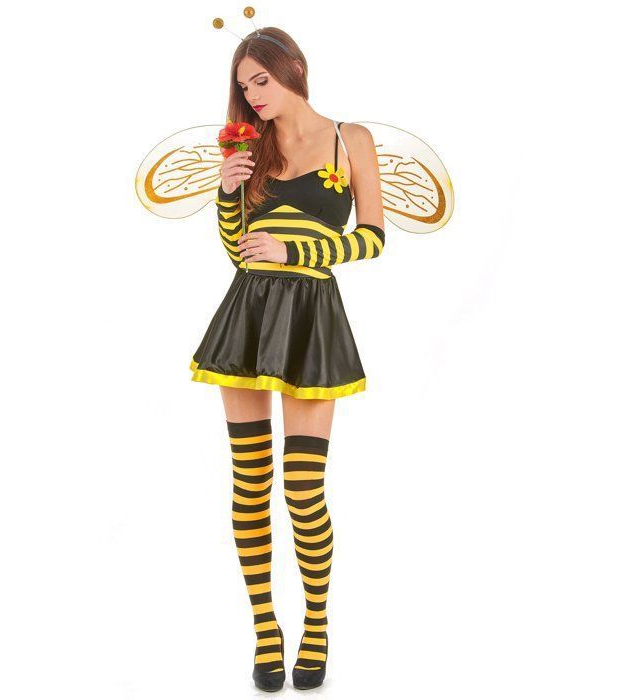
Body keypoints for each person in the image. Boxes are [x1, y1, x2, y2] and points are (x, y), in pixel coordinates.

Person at [189, 27, 385, 692]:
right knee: (250, 482)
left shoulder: (350, 140)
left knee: (303, 488)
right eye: (244, 86)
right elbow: (237, 250)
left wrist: (296, 251)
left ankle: (317, 625)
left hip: (311, 319)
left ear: (294, 68)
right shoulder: (250, 147)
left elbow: (373, 238)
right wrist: (226, 193)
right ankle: (266, 630)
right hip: (247, 313)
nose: (253, 95)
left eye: (261, 80)